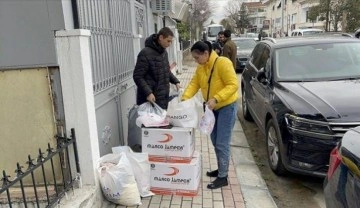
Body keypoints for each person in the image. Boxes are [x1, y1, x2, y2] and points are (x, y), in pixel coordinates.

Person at [181, 41, 239, 189]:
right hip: (212, 110)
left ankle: (223, 177)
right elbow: (194, 84)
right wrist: (183, 100)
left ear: (206, 53)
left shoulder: (223, 63)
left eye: (196, 57)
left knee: (222, 143)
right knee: (215, 141)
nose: (195, 60)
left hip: (226, 107)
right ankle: (221, 169)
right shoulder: (201, 68)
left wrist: (217, 98)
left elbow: (233, 84)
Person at [133, 27, 180, 110]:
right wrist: (148, 93)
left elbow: (166, 71)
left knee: (162, 121)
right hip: (150, 100)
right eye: (168, 41)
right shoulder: (145, 53)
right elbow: (138, 76)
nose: (169, 44)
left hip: (163, 98)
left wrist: (176, 82)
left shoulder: (164, 52)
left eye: (171, 42)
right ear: (161, 38)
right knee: (151, 122)